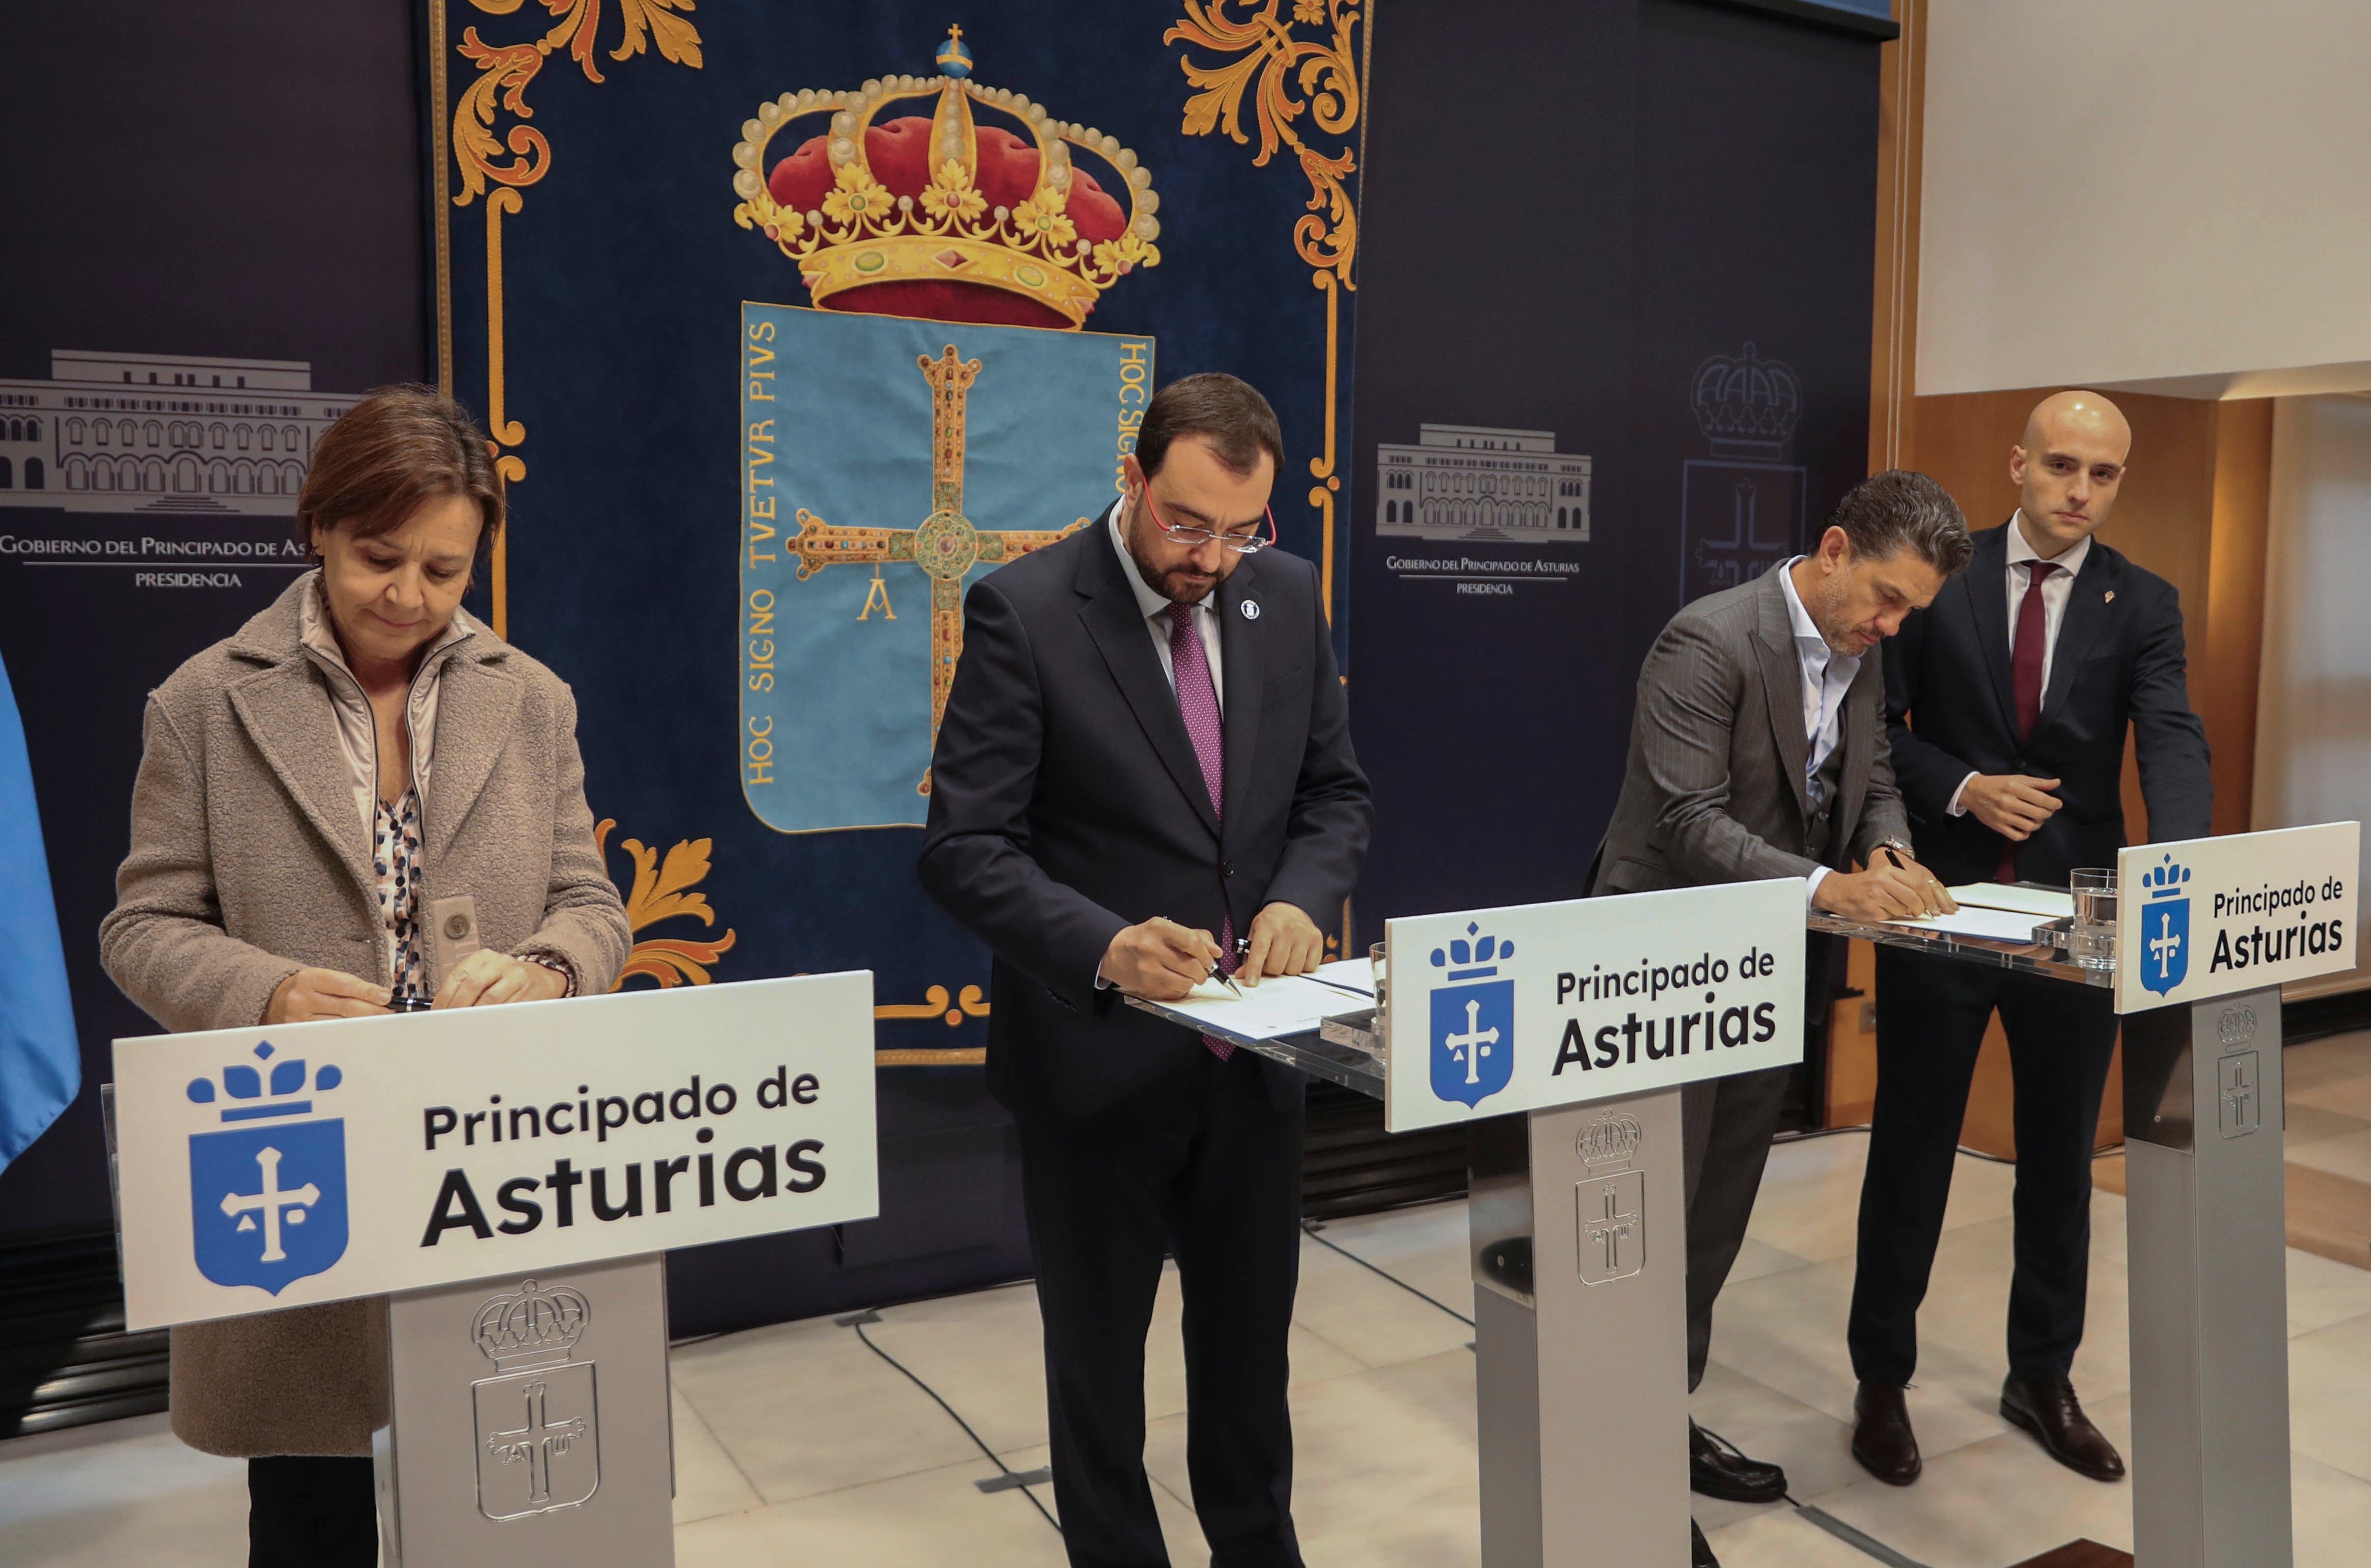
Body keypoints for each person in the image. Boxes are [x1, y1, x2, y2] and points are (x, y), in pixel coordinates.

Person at [98, 386, 631, 1566]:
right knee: (309, 1505)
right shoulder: (202, 701)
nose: (408, 596)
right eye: (378, 557)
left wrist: (551, 966)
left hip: (485, 1156)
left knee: (510, 1481)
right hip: (298, 1153)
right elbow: (143, 927)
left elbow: (591, 903)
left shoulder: (533, 700)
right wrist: (266, 993)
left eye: (445, 570)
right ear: (318, 528)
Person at [919, 373, 1370, 1568]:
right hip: (1095, 1066)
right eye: (1186, 523)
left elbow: (1334, 797)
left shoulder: (1288, 596)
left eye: (1239, 529)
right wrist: (1104, 946)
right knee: (1101, 1390)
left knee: (1247, 1372)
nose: (1211, 556)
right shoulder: (1028, 612)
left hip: (1253, 1068)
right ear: (1133, 479)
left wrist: (1299, 897)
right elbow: (964, 850)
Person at [1590, 470, 1972, 1568]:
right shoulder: (1706, 644)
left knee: (1711, 1220)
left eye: (1909, 614)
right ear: (1836, 546)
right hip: (1654, 971)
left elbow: (1878, 770)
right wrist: (1828, 890)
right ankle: (1615, 1461)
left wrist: (1889, 846)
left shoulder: (1862, 647)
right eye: (1886, 600)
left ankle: (1662, 1419)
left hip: (1757, 972)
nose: (1889, 627)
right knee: (1645, 1228)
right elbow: (1687, 821)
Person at [1846, 392, 2210, 1487]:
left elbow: (2174, 739)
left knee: (2061, 1161)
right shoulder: (1941, 579)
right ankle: (1881, 1382)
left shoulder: (2142, 600)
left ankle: (2041, 1376)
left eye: (2102, 475)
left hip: (2081, 916)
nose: (2078, 491)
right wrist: (1960, 785)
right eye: (2060, 466)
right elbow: (1875, 727)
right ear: (2017, 465)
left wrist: (2177, 873)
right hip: (1940, 907)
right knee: (1911, 1156)